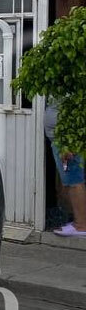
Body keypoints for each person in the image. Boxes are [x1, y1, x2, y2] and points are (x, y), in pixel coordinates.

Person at [46, 99, 86, 238]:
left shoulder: (71, 87)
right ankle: (78, 223)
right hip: (62, 141)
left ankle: (81, 225)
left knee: (74, 181)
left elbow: (75, 114)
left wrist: (68, 145)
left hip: (67, 143)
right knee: (71, 181)